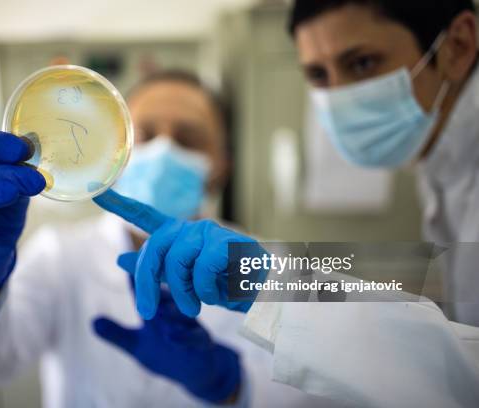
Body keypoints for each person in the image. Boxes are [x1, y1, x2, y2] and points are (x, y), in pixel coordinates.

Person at [86, 1, 479, 407]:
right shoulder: (445, 171)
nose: (340, 96)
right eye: (316, 74)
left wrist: (271, 301)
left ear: (459, 45)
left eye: (362, 63)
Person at [0, 71, 337, 407]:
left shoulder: (268, 264)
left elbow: (332, 393)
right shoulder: (60, 255)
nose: (164, 150)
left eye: (187, 138)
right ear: (121, 149)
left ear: (221, 164)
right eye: (146, 134)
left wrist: (234, 388)